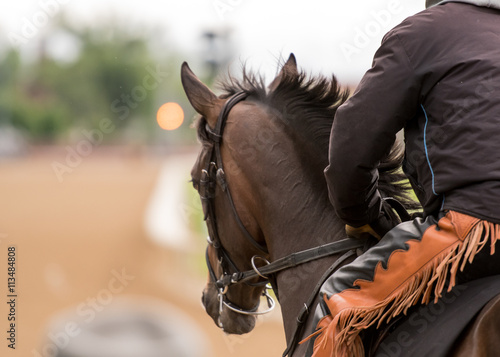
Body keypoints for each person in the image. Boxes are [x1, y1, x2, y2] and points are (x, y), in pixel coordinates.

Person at [307, 1, 500, 356]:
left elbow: (353, 145)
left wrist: (361, 215)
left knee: (337, 306)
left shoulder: (421, 33)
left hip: (476, 227)